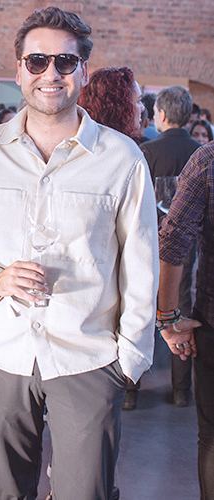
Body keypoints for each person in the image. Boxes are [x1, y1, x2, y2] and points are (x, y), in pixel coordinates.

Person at [0, 7, 158, 499]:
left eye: (64, 61)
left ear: (83, 71)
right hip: (2, 354)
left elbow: (141, 268)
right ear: (19, 70)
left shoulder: (122, 159)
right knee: (9, 492)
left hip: (87, 357)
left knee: (84, 492)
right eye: (37, 61)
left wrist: (129, 361)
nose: (50, 73)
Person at [78, 66, 147, 411]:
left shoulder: (128, 155)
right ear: (120, 104)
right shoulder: (121, 157)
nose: (142, 108)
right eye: (137, 100)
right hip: (96, 309)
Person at [156, 142, 214, 499]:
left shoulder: (208, 160)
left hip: (212, 321)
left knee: (213, 437)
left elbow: (174, 239)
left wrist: (168, 318)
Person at [141, 85, 202, 407]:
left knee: (144, 308)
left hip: (150, 241)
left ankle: (131, 390)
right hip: (190, 245)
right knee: (183, 308)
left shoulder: (148, 151)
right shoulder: (200, 152)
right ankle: (181, 391)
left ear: (161, 114)